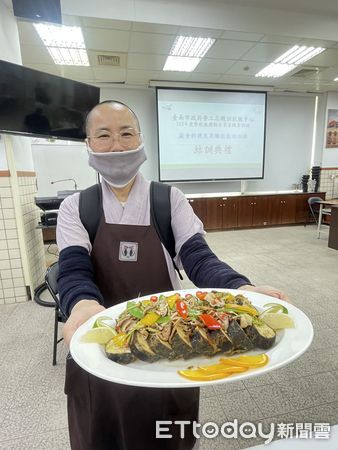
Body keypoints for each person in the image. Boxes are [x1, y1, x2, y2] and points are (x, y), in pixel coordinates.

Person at [57, 100, 289, 450]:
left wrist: (243, 287)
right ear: (88, 145)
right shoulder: (76, 207)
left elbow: (198, 258)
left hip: (169, 342)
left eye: (126, 133)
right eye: (103, 136)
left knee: (168, 436)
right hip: (102, 347)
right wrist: (81, 304)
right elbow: (74, 266)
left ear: (141, 140)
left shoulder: (169, 200)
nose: (117, 145)